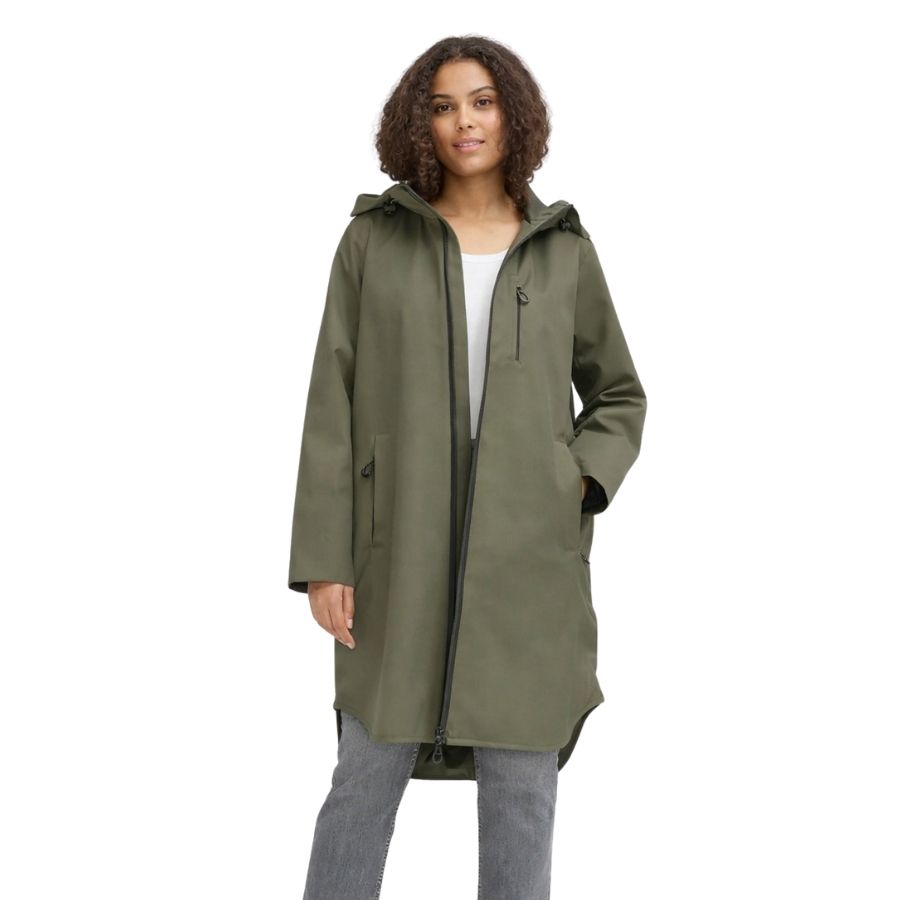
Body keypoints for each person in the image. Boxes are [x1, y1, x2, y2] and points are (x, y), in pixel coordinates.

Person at [288, 34, 647, 900]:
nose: (465, 122)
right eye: (444, 106)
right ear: (421, 124)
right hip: (396, 554)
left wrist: (574, 484)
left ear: (512, 115)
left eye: (482, 101)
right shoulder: (374, 241)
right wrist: (326, 560)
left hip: (528, 564)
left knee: (523, 792)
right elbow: (331, 405)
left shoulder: (562, 249)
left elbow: (618, 394)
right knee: (364, 777)